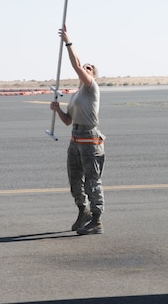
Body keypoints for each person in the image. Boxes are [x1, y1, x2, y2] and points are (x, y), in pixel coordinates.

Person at [50, 26, 106, 235]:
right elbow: (67, 121)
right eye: (86, 66)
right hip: (75, 139)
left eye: (89, 68)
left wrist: (68, 42)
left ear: (93, 75)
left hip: (90, 140)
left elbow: (76, 65)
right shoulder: (76, 95)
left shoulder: (91, 88)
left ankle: (97, 220)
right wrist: (57, 110)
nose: (86, 68)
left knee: (92, 181)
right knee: (75, 180)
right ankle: (84, 212)